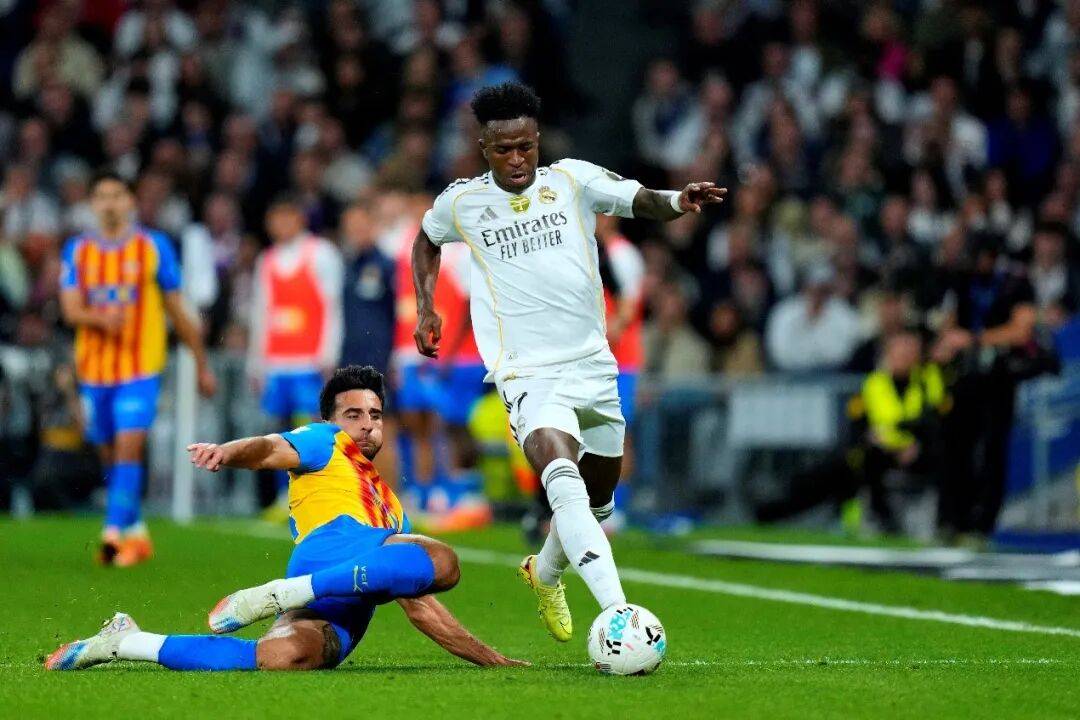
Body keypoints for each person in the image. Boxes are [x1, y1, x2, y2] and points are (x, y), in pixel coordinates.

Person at [411, 82, 726, 642]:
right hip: (526, 372)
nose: (517, 159)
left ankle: (546, 571)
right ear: (484, 149)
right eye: (504, 149)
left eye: (526, 147)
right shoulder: (462, 202)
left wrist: (680, 200)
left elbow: (639, 199)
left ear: (538, 141)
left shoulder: (572, 180)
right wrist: (426, 305)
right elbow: (426, 240)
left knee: (598, 501)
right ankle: (620, 615)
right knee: (562, 479)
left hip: (592, 364)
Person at [45, 365, 525, 672]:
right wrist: (226, 452)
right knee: (442, 561)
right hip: (317, 581)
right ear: (332, 419)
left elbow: (418, 604)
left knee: (284, 655)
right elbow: (268, 448)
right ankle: (279, 596)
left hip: (337, 612)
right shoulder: (325, 441)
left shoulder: (392, 508)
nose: (367, 424)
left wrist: (490, 659)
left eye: (375, 415)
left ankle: (129, 642)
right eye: (354, 414)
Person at [59, 170, 216, 567]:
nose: (110, 203)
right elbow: (71, 310)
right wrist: (100, 318)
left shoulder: (153, 246)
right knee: (110, 455)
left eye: (117, 195)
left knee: (129, 446)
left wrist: (201, 363)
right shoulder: (77, 250)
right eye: (102, 196)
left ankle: (112, 536)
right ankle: (137, 532)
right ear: (92, 204)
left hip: (140, 368)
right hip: (94, 370)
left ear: (130, 201)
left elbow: (177, 309)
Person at [249, 195, 344, 518]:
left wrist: (328, 353)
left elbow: (332, 306)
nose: (281, 224)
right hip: (277, 362)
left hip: (309, 360)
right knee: (278, 431)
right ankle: (285, 496)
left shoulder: (320, 253)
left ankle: (320, 493)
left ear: (299, 219)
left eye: (286, 217)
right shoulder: (267, 260)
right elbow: (261, 314)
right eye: (275, 219)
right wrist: (257, 364)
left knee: (314, 429)